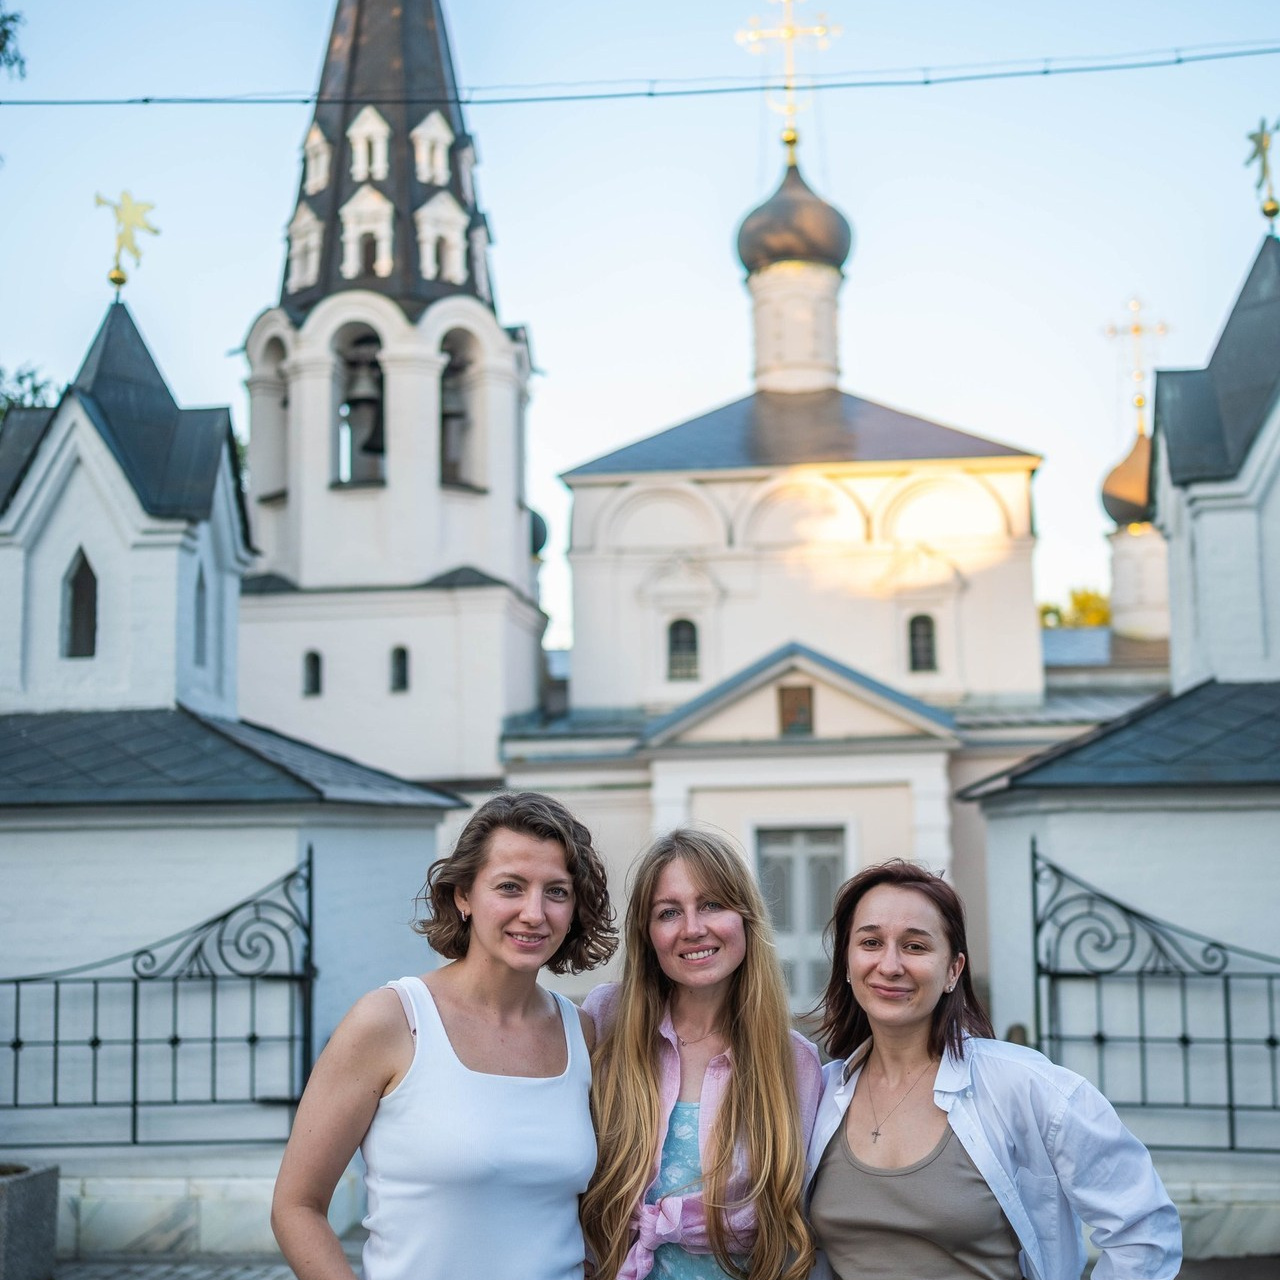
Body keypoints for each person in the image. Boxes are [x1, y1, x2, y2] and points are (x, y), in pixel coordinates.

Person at [271, 791, 618, 1280]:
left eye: (556, 891)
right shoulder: (391, 1021)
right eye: (510, 887)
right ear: (462, 896)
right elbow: (296, 1206)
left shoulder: (582, 1034)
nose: (534, 913)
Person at [806, 859, 1181, 1280]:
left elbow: (1144, 1229)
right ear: (846, 962)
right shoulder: (816, 1094)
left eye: (915, 946)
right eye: (871, 942)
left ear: (953, 971)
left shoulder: (1026, 1087)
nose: (890, 965)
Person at [581, 828, 821, 1280]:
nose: (693, 929)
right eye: (669, 912)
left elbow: (800, 1222)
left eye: (712, 904)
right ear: (647, 934)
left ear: (745, 918)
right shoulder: (604, 1022)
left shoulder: (796, 1063)